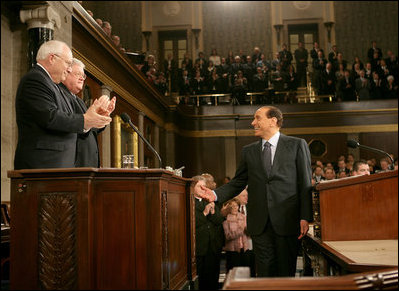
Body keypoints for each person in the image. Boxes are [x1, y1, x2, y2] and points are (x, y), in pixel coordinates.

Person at [197, 106, 313, 277]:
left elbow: (304, 183)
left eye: (257, 118)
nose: (253, 123)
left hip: (287, 220)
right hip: (260, 224)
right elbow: (237, 183)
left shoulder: (296, 145)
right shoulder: (248, 151)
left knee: (285, 274)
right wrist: (214, 195)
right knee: (264, 274)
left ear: (273, 121)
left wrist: (305, 216)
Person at [14, 40, 112, 170]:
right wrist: (85, 120)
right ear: (52, 58)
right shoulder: (35, 79)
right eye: (68, 63)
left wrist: (92, 118)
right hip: (43, 165)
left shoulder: (53, 85)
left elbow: (67, 118)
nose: (69, 68)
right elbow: (50, 117)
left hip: (57, 166)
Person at [59, 58, 116, 167]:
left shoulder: (79, 100)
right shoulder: (60, 95)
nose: (82, 78)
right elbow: (71, 124)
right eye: (78, 74)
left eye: (83, 76)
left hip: (87, 164)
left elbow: (89, 129)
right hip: (74, 164)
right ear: (66, 73)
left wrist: (102, 116)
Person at [192, 175, 225, 290]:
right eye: (199, 186)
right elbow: (193, 223)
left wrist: (213, 211)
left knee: (213, 278)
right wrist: (205, 213)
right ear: (192, 188)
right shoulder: (188, 202)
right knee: (201, 280)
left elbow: (218, 221)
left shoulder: (209, 200)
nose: (202, 189)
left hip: (213, 246)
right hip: (200, 248)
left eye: (204, 186)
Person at [222, 198, 250, 274]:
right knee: (233, 273)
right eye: (232, 206)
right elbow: (228, 236)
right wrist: (241, 230)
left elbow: (248, 233)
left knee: (245, 273)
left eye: (236, 206)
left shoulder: (244, 217)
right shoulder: (225, 220)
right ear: (228, 208)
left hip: (244, 249)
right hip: (232, 251)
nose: (234, 208)